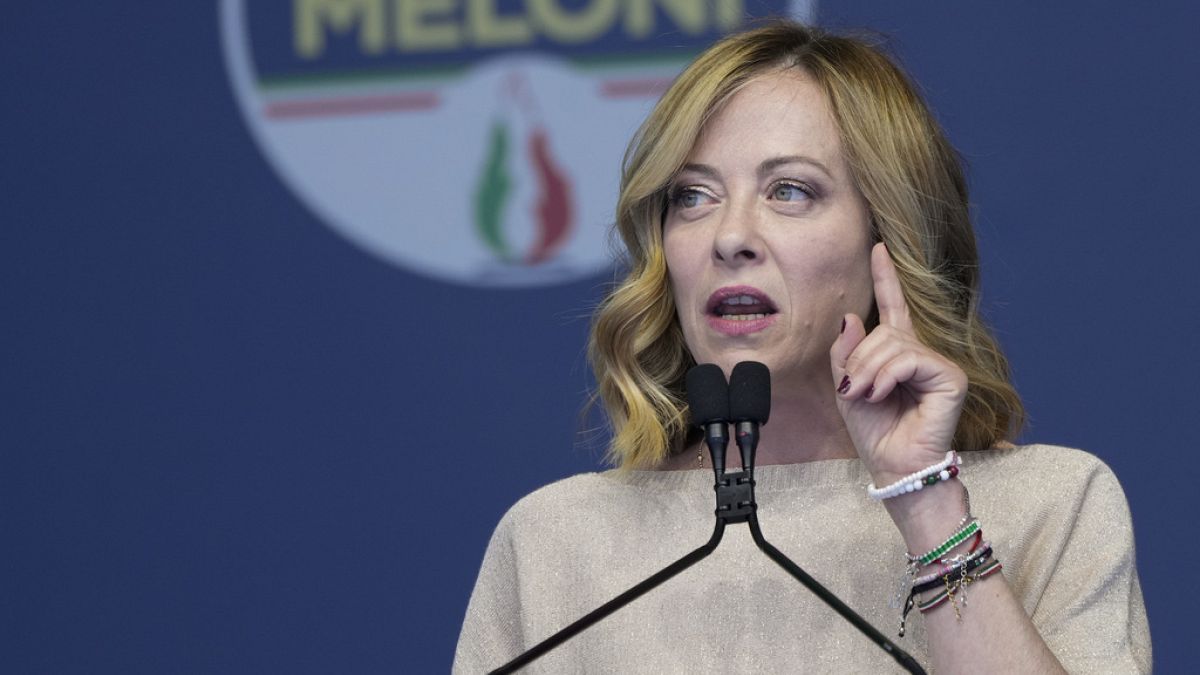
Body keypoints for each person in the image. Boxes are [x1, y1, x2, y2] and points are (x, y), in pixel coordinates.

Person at [454, 21, 1150, 674]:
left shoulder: (1050, 505)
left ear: (888, 236)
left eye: (789, 190)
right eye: (693, 196)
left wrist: (926, 503)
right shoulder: (554, 542)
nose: (730, 236)